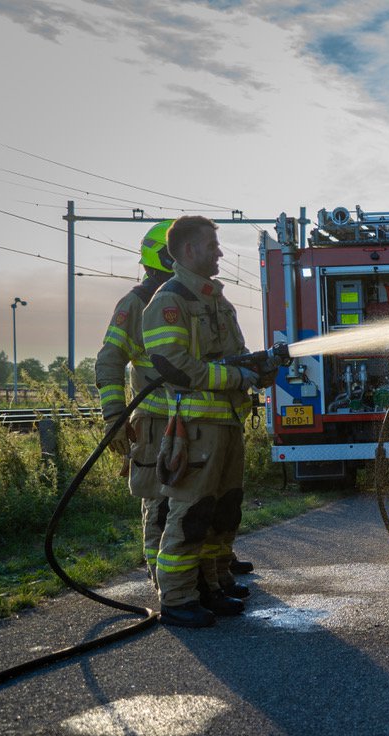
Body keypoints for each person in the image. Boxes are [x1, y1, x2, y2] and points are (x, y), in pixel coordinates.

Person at [143, 216, 268, 627]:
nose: (220, 252)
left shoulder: (218, 301)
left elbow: (235, 355)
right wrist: (234, 377)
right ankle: (178, 599)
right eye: (212, 245)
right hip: (196, 430)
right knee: (191, 513)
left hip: (226, 425)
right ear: (189, 250)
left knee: (222, 513)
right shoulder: (170, 301)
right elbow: (173, 366)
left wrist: (260, 367)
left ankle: (211, 587)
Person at [94, 220, 175, 582]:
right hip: (156, 425)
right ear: (165, 257)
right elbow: (109, 360)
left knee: (198, 503)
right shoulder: (137, 303)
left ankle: (204, 578)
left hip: (193, 421)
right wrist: (114, 417)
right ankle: (165, 583)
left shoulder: (187, 298)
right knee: (160, 507)